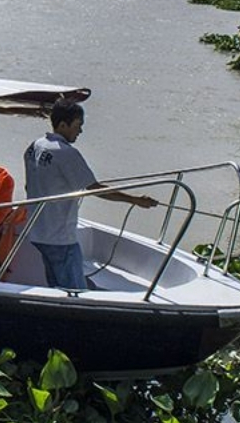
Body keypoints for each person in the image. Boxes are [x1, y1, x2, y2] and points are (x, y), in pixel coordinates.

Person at [24, 99, 156, 289]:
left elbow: (30, 185)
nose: (80, 131)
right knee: (74, 289)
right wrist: (134, 200)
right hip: (60, 237)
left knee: (55, 283)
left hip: (37, 232)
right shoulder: (66, 153)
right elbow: (95, 188)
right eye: (77, 126)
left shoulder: (34, 147)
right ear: (62, 125)